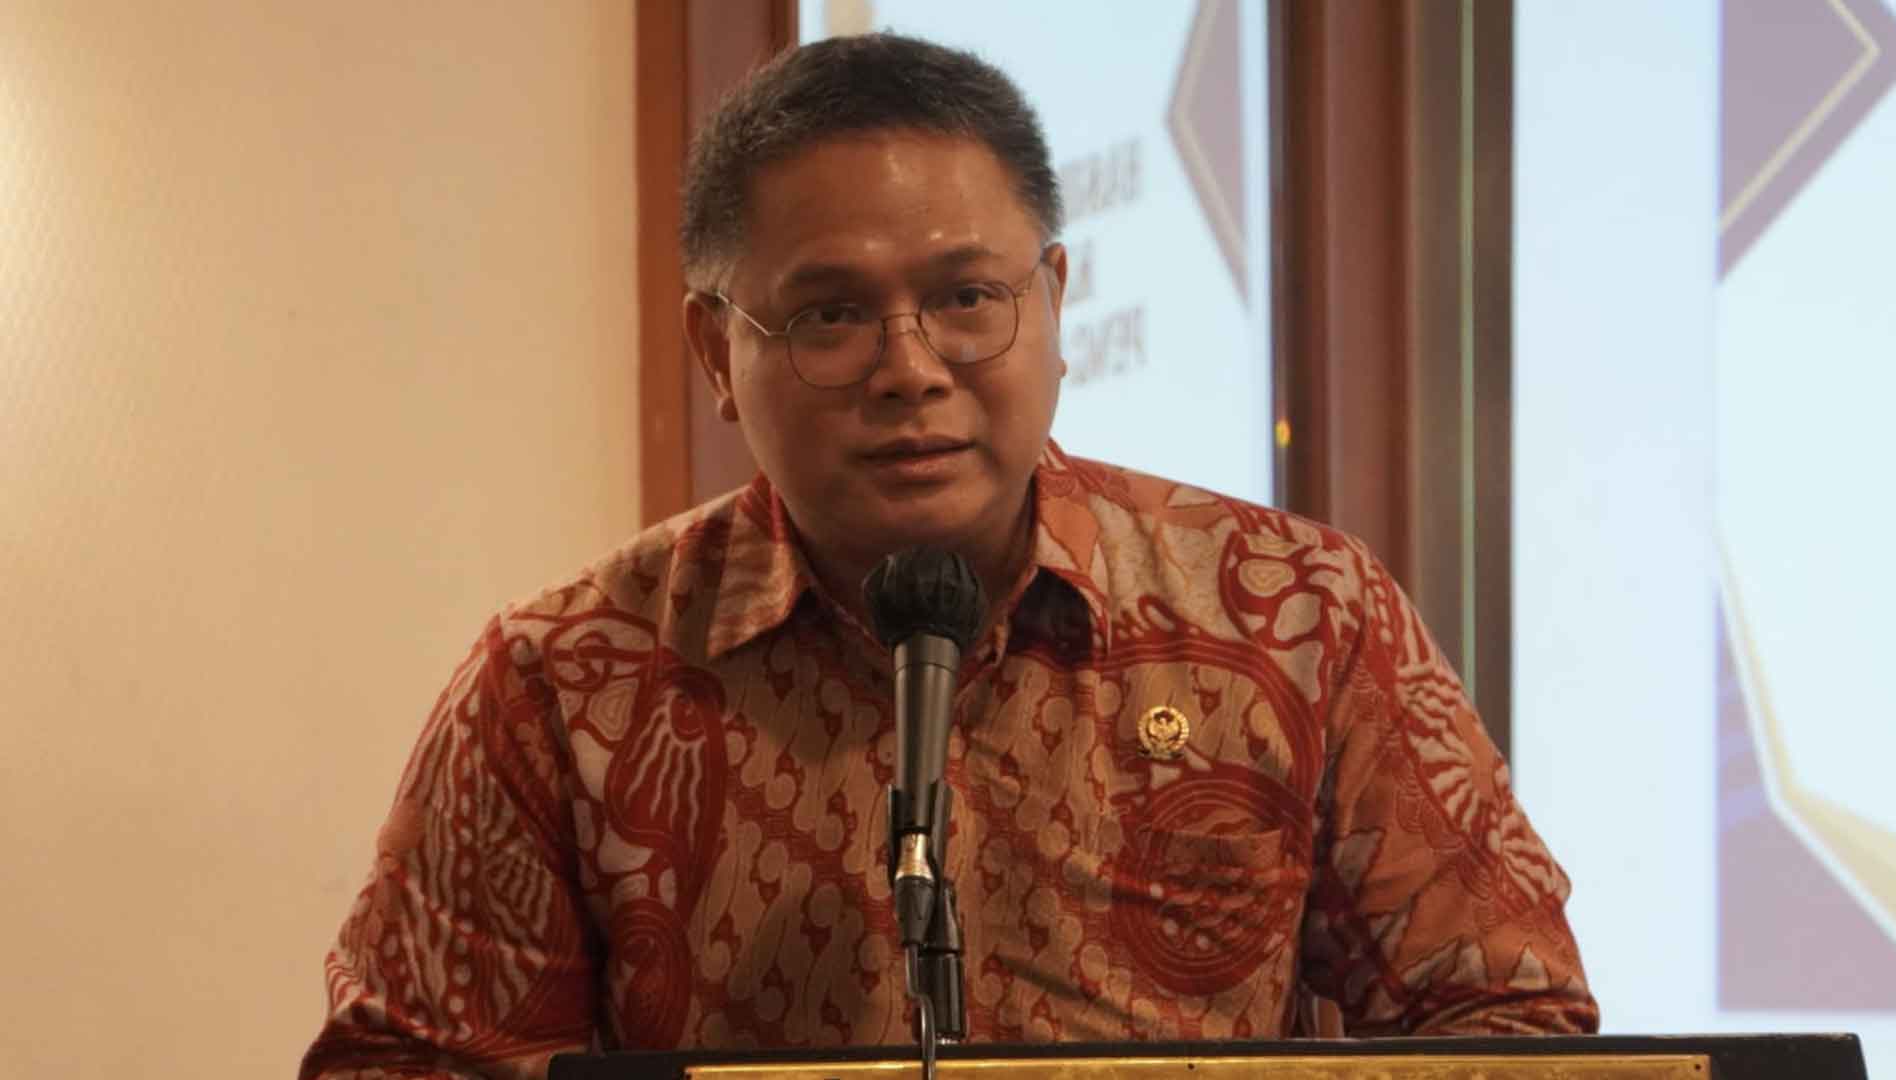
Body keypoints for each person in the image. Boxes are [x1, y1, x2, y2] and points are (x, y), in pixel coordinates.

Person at [300, 32, 1597, 1080]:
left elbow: (1512, 1026)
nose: (909, 370)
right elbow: (406, 1066)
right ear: (714, 353)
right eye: (831, 315)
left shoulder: (1300, 616)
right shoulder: (563, 682)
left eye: (967, 298)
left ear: (1054, 299)